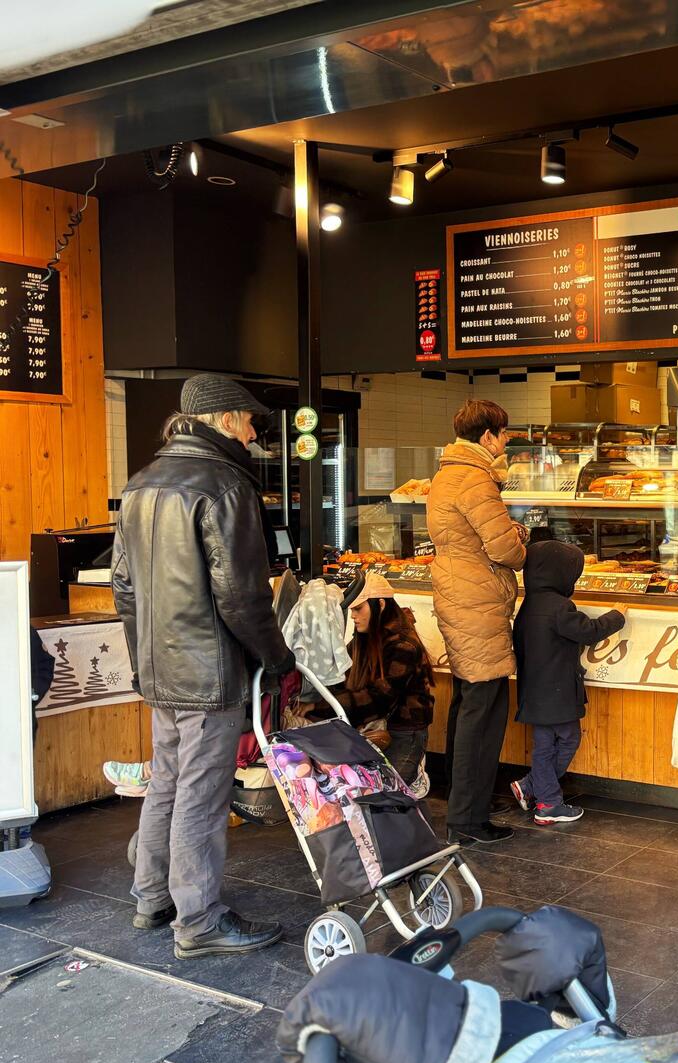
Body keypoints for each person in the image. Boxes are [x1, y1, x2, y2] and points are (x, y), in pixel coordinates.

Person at [112, 372, 294, 960]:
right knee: (201, 791)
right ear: (220, 421)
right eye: (246, 420)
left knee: (167, 776)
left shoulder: (141, 484)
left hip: (160, 666)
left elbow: (123, 588)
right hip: (209, 669)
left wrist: (145, 654)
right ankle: (199, 919)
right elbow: (241, 596)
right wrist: (275, 656)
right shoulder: (223, 485)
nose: (251, 432)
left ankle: (151, 896)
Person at [428, 400, 528, 845]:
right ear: (487, 435)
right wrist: (520, 538)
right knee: (483, 711)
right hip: (478, 603)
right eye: (504, 434)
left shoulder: (447, 473)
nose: (505, 441)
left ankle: (462, 804)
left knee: (468, 703)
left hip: (459, 595)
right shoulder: (475, 478)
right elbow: (505, 549)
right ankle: (468, 820)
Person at [508, 541, 627, 825]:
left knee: (544, 745)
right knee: (568, 739)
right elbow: (587, 631)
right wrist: (617, 616)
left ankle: (531, 787)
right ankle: (547, 801)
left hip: (534, 691)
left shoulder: (529, 603)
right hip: (557, 692)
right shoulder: (560, 606)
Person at [332, 573, 435, 787]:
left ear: (380, 604)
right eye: (352, 610)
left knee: (388, 797)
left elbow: (379, 698)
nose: (353, 616)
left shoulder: (404, 645)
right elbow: (343, 677)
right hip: (374, 728)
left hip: (404, 733)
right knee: (378, 799)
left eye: (358, 609)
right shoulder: (365, 638)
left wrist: (320, 707)